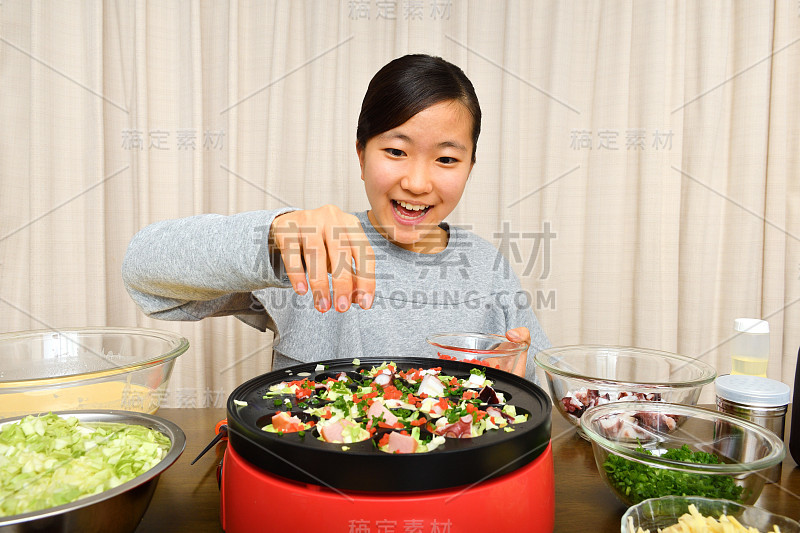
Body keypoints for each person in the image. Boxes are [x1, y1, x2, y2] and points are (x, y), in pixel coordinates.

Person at [122, 54, 549, 382]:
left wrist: (512, 382)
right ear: (361, 155)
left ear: (470, 167)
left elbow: (543, 386)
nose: (418, 182)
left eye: (446, 158)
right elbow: (144, 275)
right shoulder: (311, 243)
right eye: (396, 151)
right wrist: (274, 232)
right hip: (314, 476)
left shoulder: (487, 267)